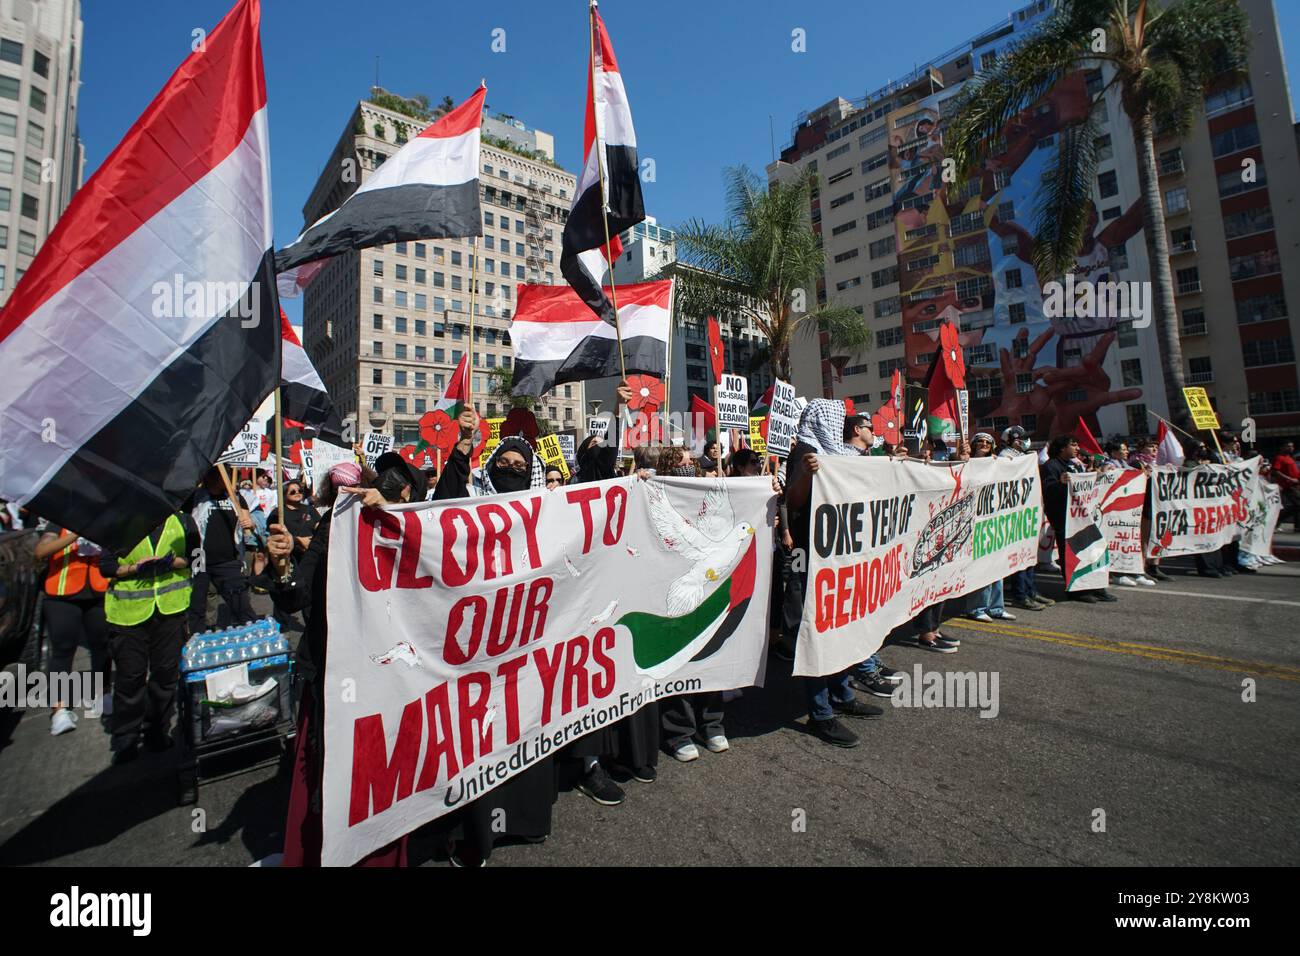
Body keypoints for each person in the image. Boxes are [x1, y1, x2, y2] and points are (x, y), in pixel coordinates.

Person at [428, 410, 562, 865]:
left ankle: (526, 820)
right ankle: (475, 833)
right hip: (479, 646)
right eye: (502, 466)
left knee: (526, 729)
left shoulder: (546, 514)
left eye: (520, 469)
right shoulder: (470, 503)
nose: (510, 473)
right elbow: (445, 504)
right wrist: (465, 443)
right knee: (479, 739)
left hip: (527, 644)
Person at [268, 458, 414, 867]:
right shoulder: (329, 531)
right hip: (333, 679)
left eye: (355, 488)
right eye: (337, 490)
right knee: (331, 782)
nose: (346, 496)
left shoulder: (402, 528)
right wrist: (281, 569)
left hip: (387, 681)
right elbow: (298, 596)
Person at [782, 399, 885, 748]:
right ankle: (821, 712)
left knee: (841, 626)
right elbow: (792, 502)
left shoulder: (837, 453)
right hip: (810, 558)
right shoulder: (805, 452)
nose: (839, 422)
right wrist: (810, 474)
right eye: (835, 417)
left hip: (837, 557)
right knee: (817, 632)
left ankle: (842, 694)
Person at [99, 510, 199, 764]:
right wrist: (135, 568)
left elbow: (197, 557)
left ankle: (157, 729)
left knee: (165, 674)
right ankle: (126, 737)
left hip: (170, 609)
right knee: (130, 676)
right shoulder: (119, 521)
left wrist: (178, 562)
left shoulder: (183, 521)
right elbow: (106, 566)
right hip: (129, 614)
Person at [36, 523, 111, 736]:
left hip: (98, 590)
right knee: (62, 649)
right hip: (62, 593)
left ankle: (102, 694)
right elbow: (41, 551)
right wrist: (76, 535)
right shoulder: (56, 523)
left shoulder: (100, 520)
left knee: (102, 645)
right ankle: (59, 709)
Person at [1042, 436, 1117, 603]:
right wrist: (1059, 484)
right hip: (1065, 519)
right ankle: (1076, 590)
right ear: (1062, 448)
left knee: (1094, 550)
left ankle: (1097, 586)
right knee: (1072, 553)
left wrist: (1095, 476)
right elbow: (1047, 491)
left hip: (1084, 517)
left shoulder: (1075, 465)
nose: (1077, 448)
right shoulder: (1051, 466)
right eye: (1073, 444)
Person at [189, 469, 256, 632]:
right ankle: (197, 639)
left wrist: (250, 524)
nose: (224, 479)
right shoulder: (195, 497)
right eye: (220, 475)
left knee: (240, 604)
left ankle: (250, 639)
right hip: (199, 557)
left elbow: (248, 523)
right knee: (197, 606)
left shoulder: (236, 498)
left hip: (228, 559)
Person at [997, 426, 1057, 610]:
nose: (1024, 442)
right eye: (1020, 439)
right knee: (1018, 556)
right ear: (1011, 441)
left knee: (1029, 554)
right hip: (1014, 513)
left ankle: (1031, 590)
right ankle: (1020, 594)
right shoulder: (1004, 457)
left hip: (1026, 511)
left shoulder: (1024, 457)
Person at [965, 434, 1019, 624]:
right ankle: (976, 607)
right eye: (980, 441)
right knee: (981, 567)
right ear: (973, 445)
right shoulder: (967, 464)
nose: (984, 445)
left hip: (995, 521)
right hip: (975, 520)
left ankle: (996, 607)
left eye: (988, 443)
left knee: (997, 566)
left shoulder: (997, 463)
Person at [1271, 440, 1300, 532]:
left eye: (1292, 446)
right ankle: (1278, 519)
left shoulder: (1290, 458)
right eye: (1288, 446)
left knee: (1297, 505)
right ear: (1282, 447)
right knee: (1298, 504)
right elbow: (1275, 471)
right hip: (1289, 486)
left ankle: (1297, 526)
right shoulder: (1279, 458)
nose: (1291, 448)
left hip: (1296, 485)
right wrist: (1289, 479)